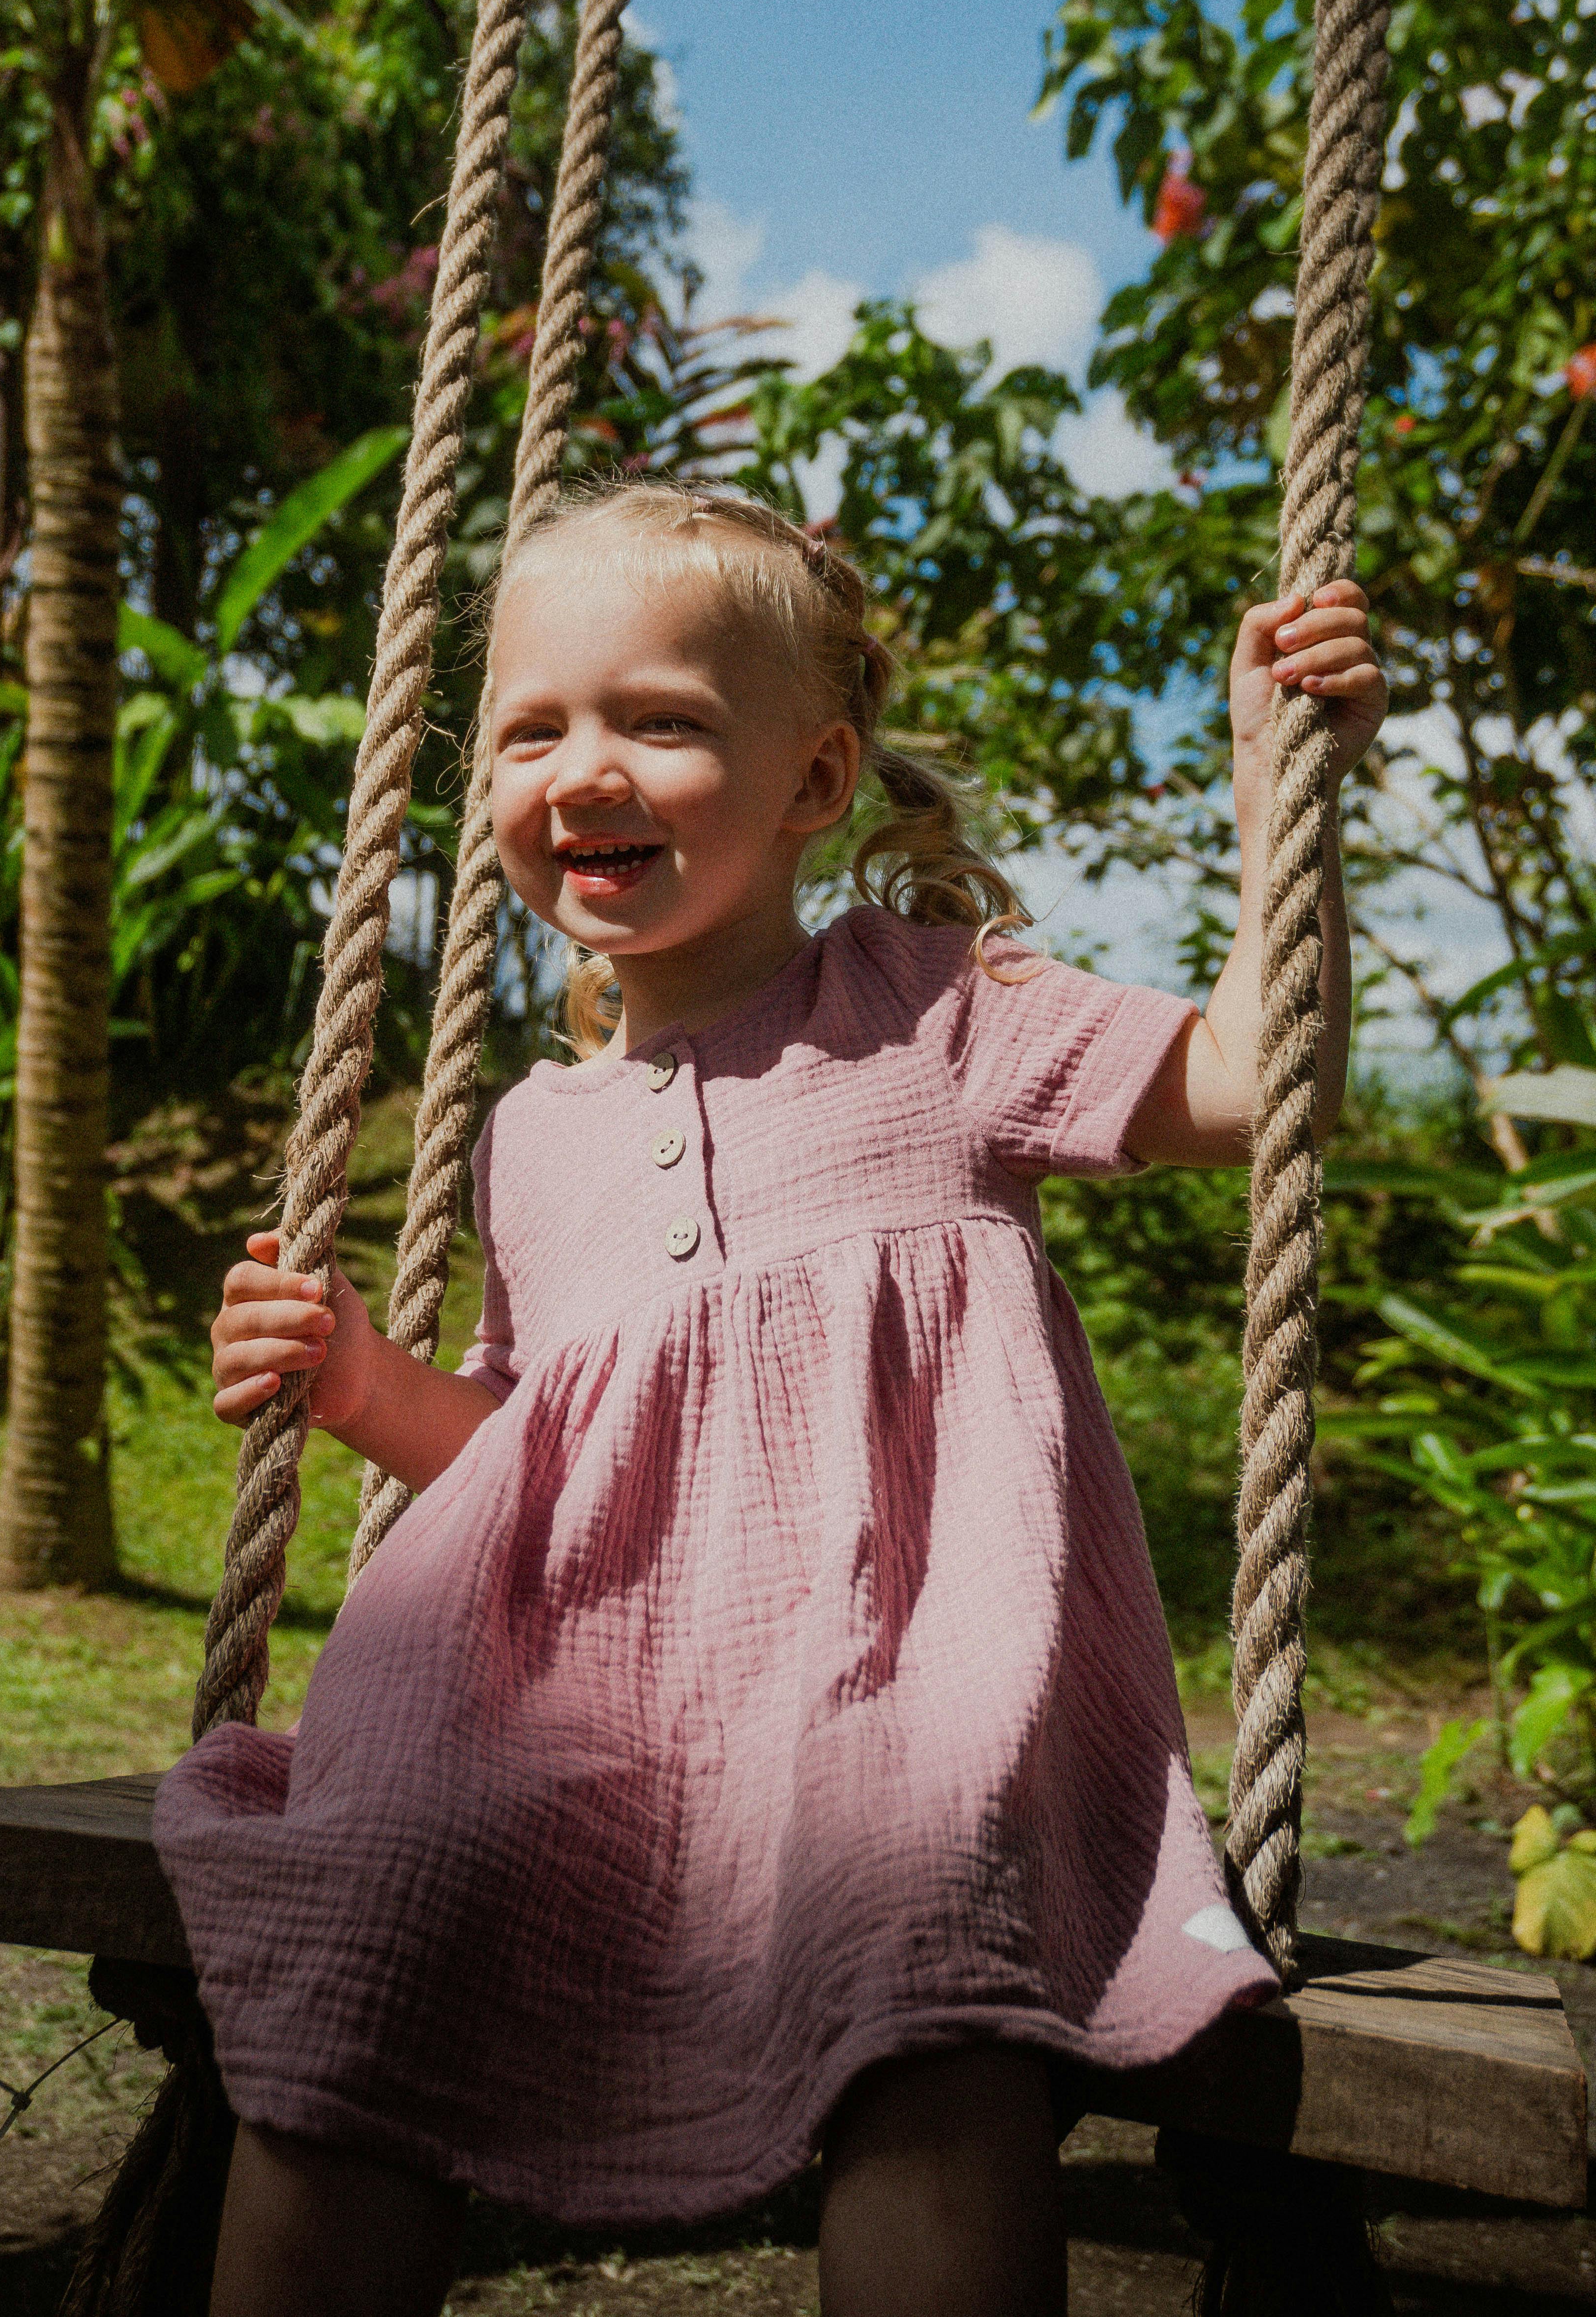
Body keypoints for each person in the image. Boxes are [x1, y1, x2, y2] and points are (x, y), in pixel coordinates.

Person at [158, 486, 1387, 2317]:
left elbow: (1243, 1085)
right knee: (367, 1946)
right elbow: (534, 1459)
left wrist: (1283, 793)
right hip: (581, 1711)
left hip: (882, 1686)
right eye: (531, 728)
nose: (585, 767)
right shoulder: (531, 1135)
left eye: (661, 720)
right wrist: (358, 1383)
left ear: (816, 784)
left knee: (928, 1983)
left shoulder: (932, 1011)